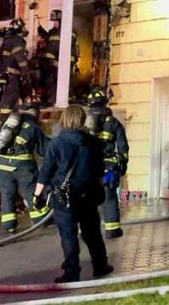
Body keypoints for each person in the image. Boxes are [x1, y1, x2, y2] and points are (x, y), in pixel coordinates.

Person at [33, 105, 113, 283]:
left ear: (65, 120)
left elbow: (45, 171)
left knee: (68, 235)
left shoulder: (56, 143)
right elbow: (100, 171)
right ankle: (100, 266)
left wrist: (37, 195)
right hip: (88, 194)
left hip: (64, 196)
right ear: (83, 119)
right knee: (92, 233)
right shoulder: (93, 142)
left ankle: (72, 272)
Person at [0, 101, 50, 233]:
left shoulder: (7, 123)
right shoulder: (33, 126)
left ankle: (9, 225)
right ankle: (40, 219)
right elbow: (44, 149)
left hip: (1, 164)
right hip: (22, 165)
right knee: (31, 192)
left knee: (7, 194)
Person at [84, 87, 129, 238]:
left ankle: (84, 230)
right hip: (107, 168)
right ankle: (112, 230)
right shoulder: (113, 122)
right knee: (109, 198)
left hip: (88, 168)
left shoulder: (84, 122)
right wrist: (122, 166)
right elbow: (123, 148)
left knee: (87, 199)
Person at [38, 10, 78, 107]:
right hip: (54, 61)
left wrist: (56, 57)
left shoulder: (68, 30)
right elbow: (50, 41)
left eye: (56, 21)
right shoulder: (53, 31)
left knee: (64, 80)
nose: (54, 23)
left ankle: (67, 100)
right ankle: (53, 99)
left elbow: (65, 44)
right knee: (52, 80)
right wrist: (41, 31)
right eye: (53, 21)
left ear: (61, 21)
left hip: (65, 61)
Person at [0, 19, 30, 115]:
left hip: (5, 73)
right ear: (19, 28)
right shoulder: (17, 41)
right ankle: (6, 118)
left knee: (12, 95)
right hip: (12, 74)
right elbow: (20, 57)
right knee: (11, 96)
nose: (25, 28)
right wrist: (25, 72)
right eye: (23, 26)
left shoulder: (8, 40)